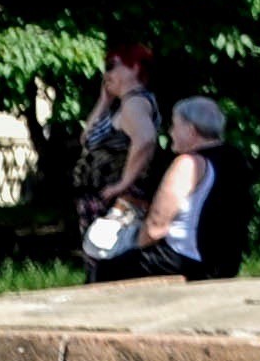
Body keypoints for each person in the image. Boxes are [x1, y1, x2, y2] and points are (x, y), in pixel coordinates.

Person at [86, 97, 250, 283]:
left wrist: (125, 244)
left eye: (175, 125)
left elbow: (155, 229)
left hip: (183, 261)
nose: (171, 132)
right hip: (225, 263)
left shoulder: (189, 163)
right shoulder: (236, 160)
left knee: (105, 269)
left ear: (191, 130)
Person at [71, 43, 162, 246]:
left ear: (135, 67)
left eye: (112, 66)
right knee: (99, 254)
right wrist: (104, 101)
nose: (107, 73)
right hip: (101, 198)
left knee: (105, 256)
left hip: (115, 200)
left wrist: (123, 184)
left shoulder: (135, 103)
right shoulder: (124, 104)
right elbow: (86, 138)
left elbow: (146, 140)